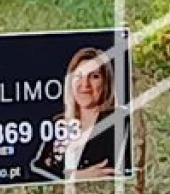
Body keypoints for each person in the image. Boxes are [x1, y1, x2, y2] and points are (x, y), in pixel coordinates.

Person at [30, 47, 123, 182]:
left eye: (94, 76)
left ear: (105, 83)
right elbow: (37, 171)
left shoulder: (117, 122)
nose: (85, 84)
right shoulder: (59, 124)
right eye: (78, 76)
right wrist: (74, 177)